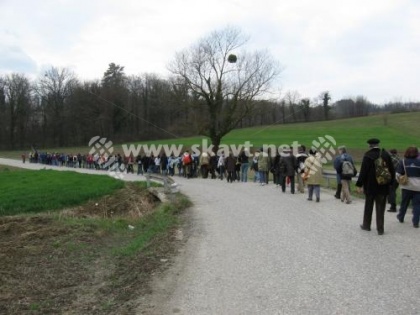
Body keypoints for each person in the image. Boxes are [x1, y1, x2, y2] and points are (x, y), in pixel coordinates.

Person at [356, 138, 395, 235]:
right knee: (381, 208)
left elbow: (363, 172)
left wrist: (359, 184)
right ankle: (380, 229)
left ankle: (366, 225)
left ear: (370, 145)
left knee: (368, 206)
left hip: (370, 186)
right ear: (378, 144)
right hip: (383, 186)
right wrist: (391, 183)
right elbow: (391, 170)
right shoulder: (385, 154)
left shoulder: (368, 155)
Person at [396, 146, 420, 227]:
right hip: (418, 187)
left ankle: (401, 217)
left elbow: (398, 174)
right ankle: (415, 222)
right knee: (417, 205)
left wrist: (400, 181)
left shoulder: (403, 162)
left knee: (404, 203)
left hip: (406, 186)